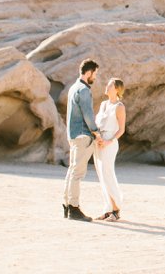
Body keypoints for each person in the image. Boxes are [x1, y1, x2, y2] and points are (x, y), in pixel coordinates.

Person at [62, 59, 102, 222]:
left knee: (72, 171)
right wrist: (96, 132)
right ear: (89, 72)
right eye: (95, 74)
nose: (95, 77)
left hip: (73, 135)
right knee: (78, 173)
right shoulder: (84, 90)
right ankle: (74, 207)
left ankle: (67, 205)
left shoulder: (73, 88)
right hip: (83, 135)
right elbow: (88, 114)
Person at [93, 78, 126, 221]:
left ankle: (116, 209)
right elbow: (98, 123)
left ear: (117, 89)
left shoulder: (119, 107)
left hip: (110, 143)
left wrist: (108, 141)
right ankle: (108, 209)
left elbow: (121, 130)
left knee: (107, 174)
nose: (106, 87)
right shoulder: (103, 104)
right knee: (101, 175)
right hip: (99, 141)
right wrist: (98, 137)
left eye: (110, 85)